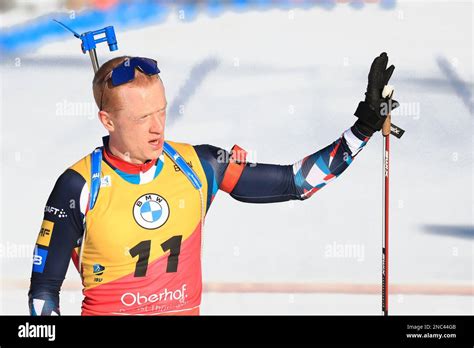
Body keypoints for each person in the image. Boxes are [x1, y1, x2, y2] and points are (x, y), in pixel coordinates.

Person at [29, 52, 398, 315]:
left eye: (162, 110)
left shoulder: (200, 164)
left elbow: (296, 181)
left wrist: (362, 128)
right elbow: (43, 293)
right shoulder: (79, 186)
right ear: (107, 121)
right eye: (143, 118)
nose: (159, 127)